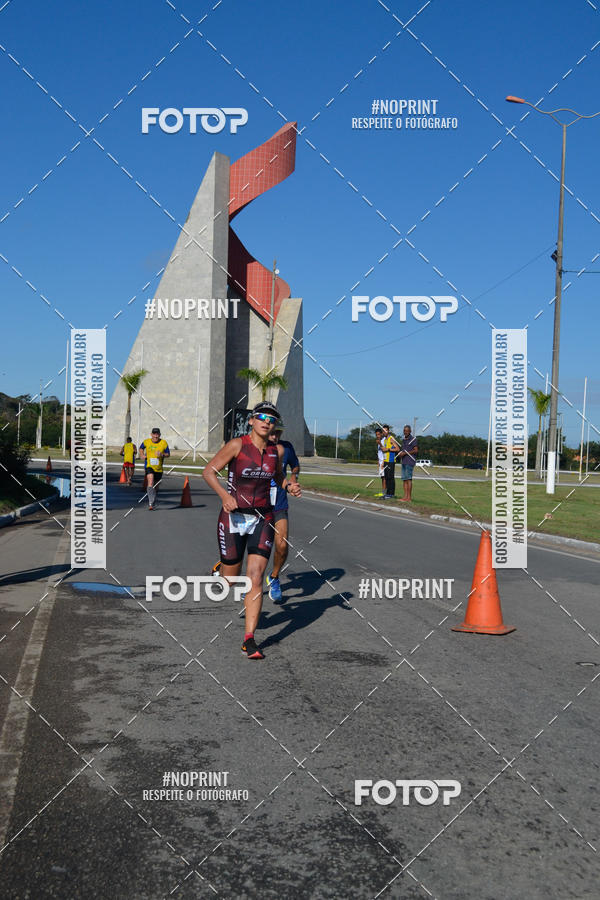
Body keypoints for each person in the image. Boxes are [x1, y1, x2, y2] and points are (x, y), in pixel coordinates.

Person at [202, 402, 301, 660]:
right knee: (230, 581)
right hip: (233, 517)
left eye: (272, 420)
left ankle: (249, 639)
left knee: (255, 577)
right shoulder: (237, 445)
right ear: (252, 421)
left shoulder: (274, 451)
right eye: (263, 418)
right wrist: (224, 495)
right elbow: (209, 471)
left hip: (262, 518)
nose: (267, 422)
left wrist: (288, 486)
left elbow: (277, 476)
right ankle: (221, 569)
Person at [265, 423, 300, 603]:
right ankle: (248, 581)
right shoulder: (253, 448)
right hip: (256, 506)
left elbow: (295, 465)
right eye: (273, 432)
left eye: (278, 432)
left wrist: (293, 478)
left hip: (278, 503)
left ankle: (274, 577)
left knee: (282, 544)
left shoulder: (286, 448)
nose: (276, 435)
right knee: (253, 548)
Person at [139, 427, 170, 510]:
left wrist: (162, 454)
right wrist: (142, 455)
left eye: (157, 434)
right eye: (154, 434)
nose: (156, 436)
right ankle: (150, 502)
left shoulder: (164, 443)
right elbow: (141, 448)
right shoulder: (146, 441)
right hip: (149, 466)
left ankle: (153, 501)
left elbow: (168, 454)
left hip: (159, 468)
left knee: (156, 486)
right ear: (151, 434)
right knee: (150, 481)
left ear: (159, 435)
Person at [399, 424, 419, 502]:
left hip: (410, 461)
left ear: (410, 431)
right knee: (404, 479)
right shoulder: (404, 440)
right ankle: (405, 497)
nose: (405, 432)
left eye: (407, 431)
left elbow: (416, 450)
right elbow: (403, 450)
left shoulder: (413, 439)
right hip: (403, 461)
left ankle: (409, 498)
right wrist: (401, 454)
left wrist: (405, 453)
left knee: (408, 479)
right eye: (404, 430)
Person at [381, 424, 401, 499]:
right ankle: (387, 494)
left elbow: (398, 449)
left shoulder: (391, 439)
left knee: (390, 477)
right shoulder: (385, 440)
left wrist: (388, 449)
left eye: (386, 430)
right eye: (383, 430)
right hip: (386, 461)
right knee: (386, 477)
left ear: (388, 431)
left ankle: (391, 494)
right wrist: (383, 461)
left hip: (391, 461)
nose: (384, 432)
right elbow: (385, 451)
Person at [374, 427, 385, 498]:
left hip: (384, 462)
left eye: (378, 434)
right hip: (380, 462)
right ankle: (382, 492)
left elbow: (385, 451)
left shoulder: (383, 441)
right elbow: (379, 452)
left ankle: (384, 493)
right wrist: (378, 460)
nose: (377, 436)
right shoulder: (379, 441)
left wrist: (383, 462)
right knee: (382, 478)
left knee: (384, 478)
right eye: (376, 435)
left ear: (381, 434)